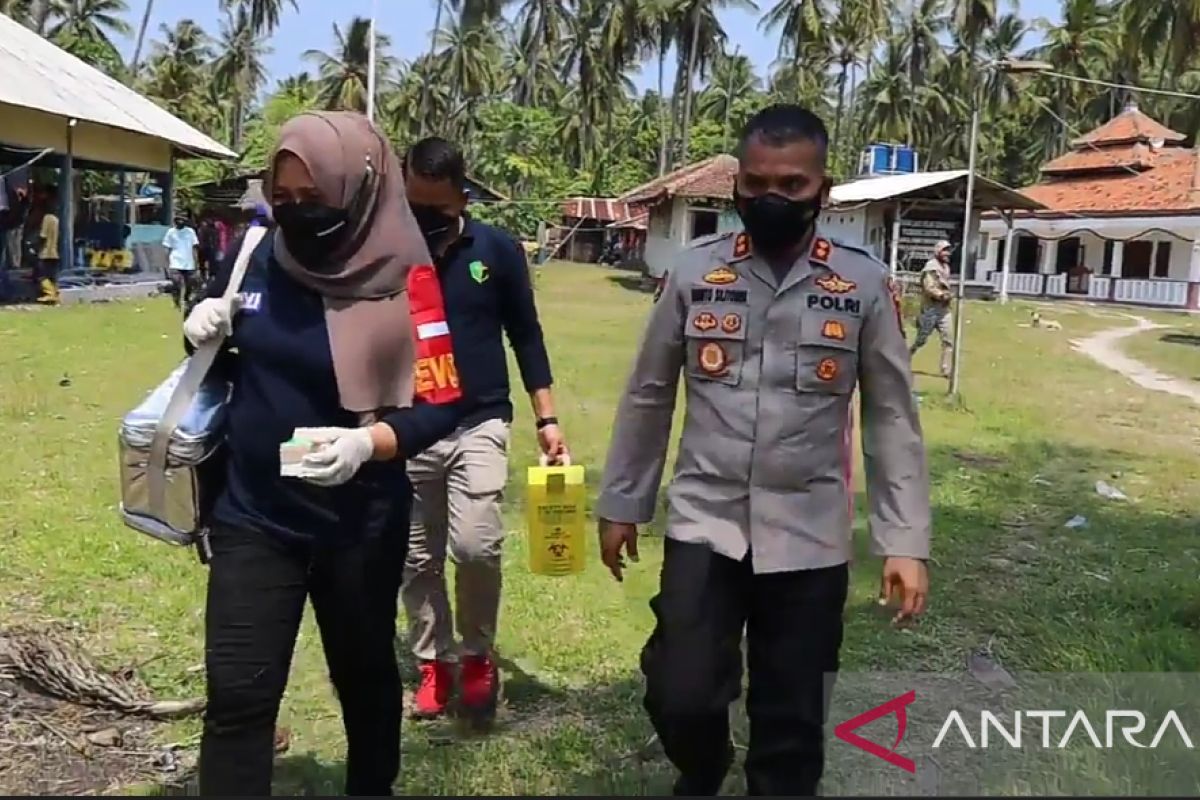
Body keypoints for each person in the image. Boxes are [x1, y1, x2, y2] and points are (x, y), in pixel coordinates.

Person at [595, 104, 932, 796]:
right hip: (705, 523)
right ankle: (705, 764)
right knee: (679, 691)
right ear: (735, 186)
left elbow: (892, 417)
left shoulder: (863, 285)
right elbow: (650, 394)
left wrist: (905, 540)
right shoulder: (695, 275)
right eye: (756, 184)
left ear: (824, 191)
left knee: (792, 722)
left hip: (809, 535)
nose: (771, 199)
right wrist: (623, 502)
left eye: (792, 185)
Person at [183, 111, 465, 796]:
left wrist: (368, 443)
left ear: (361, 188)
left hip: (359, 525)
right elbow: (227, 363)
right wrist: (199, 327)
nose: (296, 212)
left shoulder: (410, 279)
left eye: (315, 198)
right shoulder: (255, 253)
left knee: (365, 681)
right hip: (255, 516)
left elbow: (443, 401)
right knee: (237, 698)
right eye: (283, 197)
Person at [399, 136, 565, 724]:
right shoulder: (391, 251)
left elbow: (527, 334)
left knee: (474, 545)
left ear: (460, 196)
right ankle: (432, 663)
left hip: (479, 419)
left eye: (434, 209)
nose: (423, 219)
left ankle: (476, 656)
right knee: (416, 558)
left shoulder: (495, 248)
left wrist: (546, 417)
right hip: (408, 424)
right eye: (412, 204)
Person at [910, 239, 954, 377]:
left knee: (948, 340)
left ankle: (945, 369)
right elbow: (928, 287)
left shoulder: (945, 267)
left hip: (943, 310)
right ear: (938, 251)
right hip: (930, 309)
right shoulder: (931, 267)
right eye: (944, 250)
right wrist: (941, 295)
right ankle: (905, 357)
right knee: (921, 340)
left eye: (948, 250)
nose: (947, 253)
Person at [163, 214, 201, 309]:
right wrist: (166, 264)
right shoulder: (170, 232)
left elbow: (194, 247)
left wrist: (196, 263)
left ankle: (186, 299)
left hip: (188, 263)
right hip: (175, 262)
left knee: (190, 284)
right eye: (178, 220)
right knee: (176, 283)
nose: (180, 222)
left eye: (182, 220)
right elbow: (167, 248)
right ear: (175, 221)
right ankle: (176, 301)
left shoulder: (190, 232)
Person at [35, 186, 60, 304]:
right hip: (54, 253)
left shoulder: (47, 218)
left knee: (41, 276)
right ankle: (55, 294)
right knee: (52, 277)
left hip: (45, 253)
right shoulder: (56, 219)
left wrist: (36, 249)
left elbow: (43, 236)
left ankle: (49, 294)